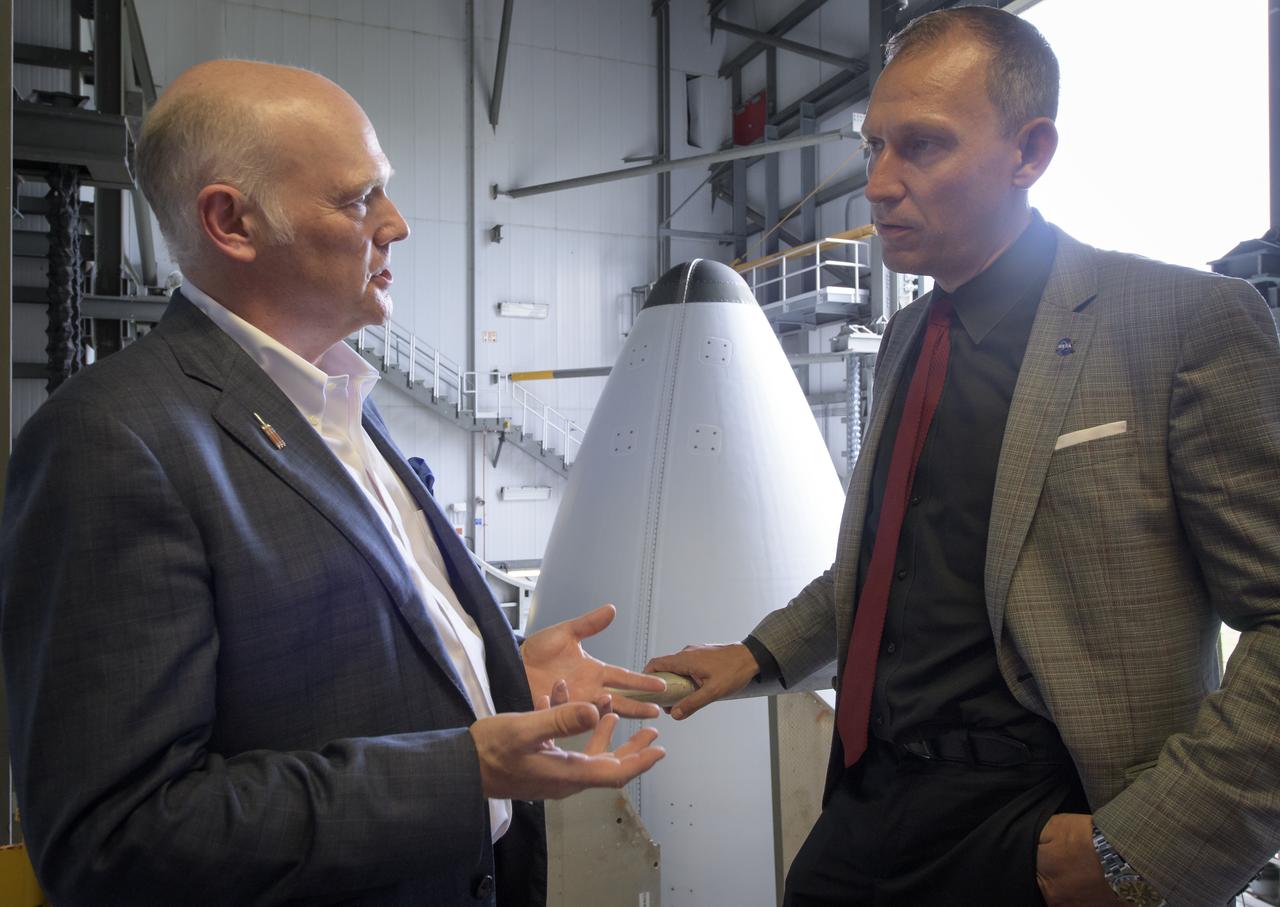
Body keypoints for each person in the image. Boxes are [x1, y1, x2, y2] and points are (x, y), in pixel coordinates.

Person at [647, 7, 1280, 906]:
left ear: (1030, 154)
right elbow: (886, 562)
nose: (879, 183)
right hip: (872, 802)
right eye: (872, 148)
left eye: (923, 147)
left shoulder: (1180, 325)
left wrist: (1145, 847)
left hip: (1045, 826)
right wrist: (756, 654)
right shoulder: (908, 334)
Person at [0, 60, 667, 906]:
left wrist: (489, 673)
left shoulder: (340, 401)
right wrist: (461, 771)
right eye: (359, 200)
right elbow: (117, 840)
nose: (396, 224)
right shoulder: (112, 441)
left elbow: (339, 669)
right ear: (230, 221)